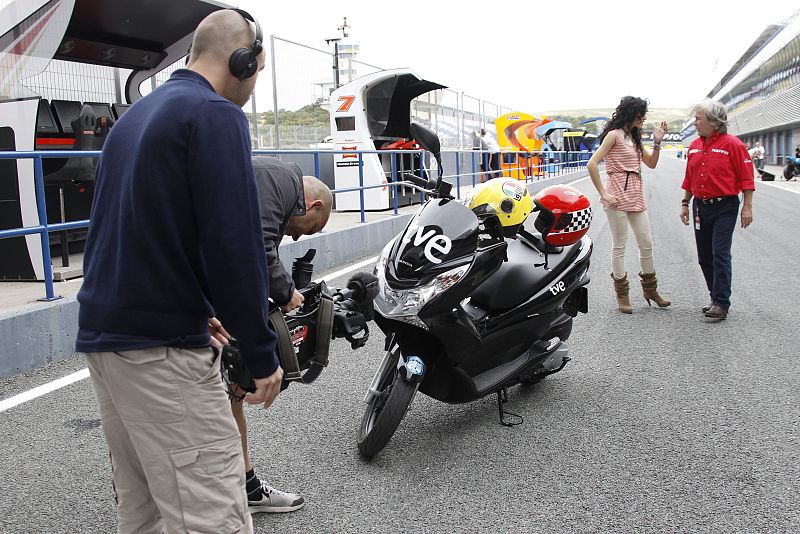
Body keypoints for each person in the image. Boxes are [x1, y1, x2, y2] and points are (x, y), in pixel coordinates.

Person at [76, 10, 279, 533]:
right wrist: (261, 351)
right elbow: (231, 244)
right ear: (244, 60)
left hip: (108, 340)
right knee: (212, 514)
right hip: (160, 353)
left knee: (143, 510)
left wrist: (198, 308)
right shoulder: (214, 115)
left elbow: (137, 229)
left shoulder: (136, 118)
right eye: (257, 70)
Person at [229, 156, 332, 513]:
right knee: (214, 402)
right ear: (313, 204)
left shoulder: (270, 184)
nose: (296, 234)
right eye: (308, 228)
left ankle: (247, 487)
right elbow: (255, 248)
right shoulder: (281, 180)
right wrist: (286, 292)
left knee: (229, 398)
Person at [587, 96, 671, 314]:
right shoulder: (613, 136)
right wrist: (603, 193)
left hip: (636, 194)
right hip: (616, 195)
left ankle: (650, 290)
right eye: (640, 114)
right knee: (620, 245)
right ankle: (622, 294)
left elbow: (651, 163)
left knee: (646, 243)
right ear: (630, 113)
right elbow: (592, 163)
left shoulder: (634, 139)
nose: (643, 118)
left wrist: (658, 142)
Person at [680, 99, 755, 320]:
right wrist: (685, 203)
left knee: (720, 253)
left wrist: (747, 208)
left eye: (698, 118)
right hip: (700, 207)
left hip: (726, 206)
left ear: (713, 120)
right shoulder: (694, 145)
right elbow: (689, 178)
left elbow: (747, 179)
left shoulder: (733, 144)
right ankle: (715, 297)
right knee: (704, 256)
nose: (695, 123)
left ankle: (722, 302)